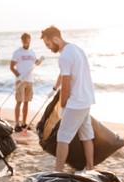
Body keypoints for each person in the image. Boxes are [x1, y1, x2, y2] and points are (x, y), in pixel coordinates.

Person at [41, 25, 96, 172]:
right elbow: (63, 74)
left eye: (48, 44)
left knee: (62, 138)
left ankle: (58, 172)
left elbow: (66, 85)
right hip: (87, 99)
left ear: (55, 39)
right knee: (86, 135)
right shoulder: (76, 49)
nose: (48, 47)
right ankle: (90, 169)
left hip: (75, 102)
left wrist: (64, 105)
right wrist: (54, 88)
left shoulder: (64, 56)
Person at [10, 32, 42, 132]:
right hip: (21, 80)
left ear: (30, 40)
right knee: (19, 101)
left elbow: (36, 63)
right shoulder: (17, 52)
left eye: (27, 40)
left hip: (30, 80)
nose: (26, 42)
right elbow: (11, 67)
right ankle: (17, 124)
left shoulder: (32, 52)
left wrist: (39, 61)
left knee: (27, 102)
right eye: (24, 40)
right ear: (22, 41)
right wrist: (19, 76)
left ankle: (24, 123)